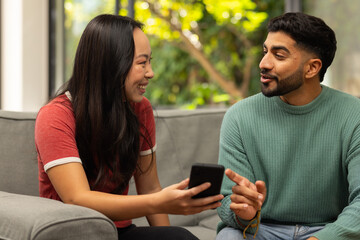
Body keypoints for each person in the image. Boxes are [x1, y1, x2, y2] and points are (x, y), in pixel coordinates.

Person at [35, 14, 223, 240]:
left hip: (118, 232)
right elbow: (78, 198)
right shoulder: (55, 116)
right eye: (142, 63)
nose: (150, 73)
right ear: (111, 64)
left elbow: (151, 188)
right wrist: (160, 202)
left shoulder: (139, 109)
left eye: (149, 62)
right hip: (71, 232)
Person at [216, 12, 360, 240]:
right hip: (261, 228)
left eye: (279, 55)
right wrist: (245, 213)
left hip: (328, 230)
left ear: (312, 68)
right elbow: (225, 200)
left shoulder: (354, 114)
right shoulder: (239, 116)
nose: (263, 64)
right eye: (265, 52)